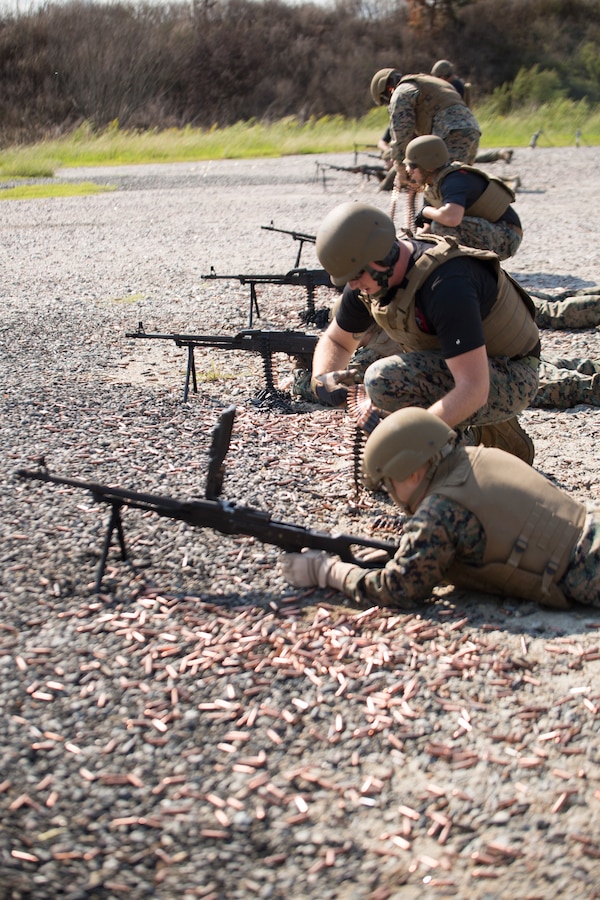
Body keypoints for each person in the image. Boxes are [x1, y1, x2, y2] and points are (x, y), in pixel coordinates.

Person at [280, 407, 600, 610]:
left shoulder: (439, 509)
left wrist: (328, 573)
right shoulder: (478, 456)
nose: (391, 494)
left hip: (587, 570)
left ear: (413, 471)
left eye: (390, 483)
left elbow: (400, 589)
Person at [310, 201, 540, 464]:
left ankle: (462, 458)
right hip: (463, 367)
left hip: (511, 373)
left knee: (383, 381)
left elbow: (474, 388)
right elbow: (337, 341)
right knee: (379, 384)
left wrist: (413, 442)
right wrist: (322, 379)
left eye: (356, 275)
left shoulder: (447, 285)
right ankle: (480, 433)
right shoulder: (367, 282)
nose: (352, 285)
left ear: (381, 258)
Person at [403, 135, 523, 260]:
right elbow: (428, 228)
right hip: (489, 230)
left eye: (412, 165)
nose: (408, 170)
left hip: (507, 236)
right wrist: (411, 245)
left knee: (441, 226)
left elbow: (451, 219)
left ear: (429, 166)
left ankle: (463, 268)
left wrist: (425, 211)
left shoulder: (454, 180)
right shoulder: (432, 185)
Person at [369, 67, 481, 188]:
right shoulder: (426, 82)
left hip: (451, 132)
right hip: (471, 129)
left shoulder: (401, 92)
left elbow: (401, 132)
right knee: (462, 180)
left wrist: (400, 167)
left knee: (442, 183)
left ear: (388, 90)